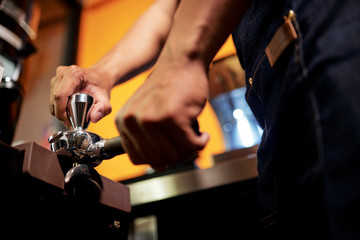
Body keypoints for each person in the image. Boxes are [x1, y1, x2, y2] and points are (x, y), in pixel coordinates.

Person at [49, 0, 360, 238]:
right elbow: (169, 10)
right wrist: (102, 73)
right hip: (277, 110)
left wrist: (181, 59)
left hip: (330, 48)